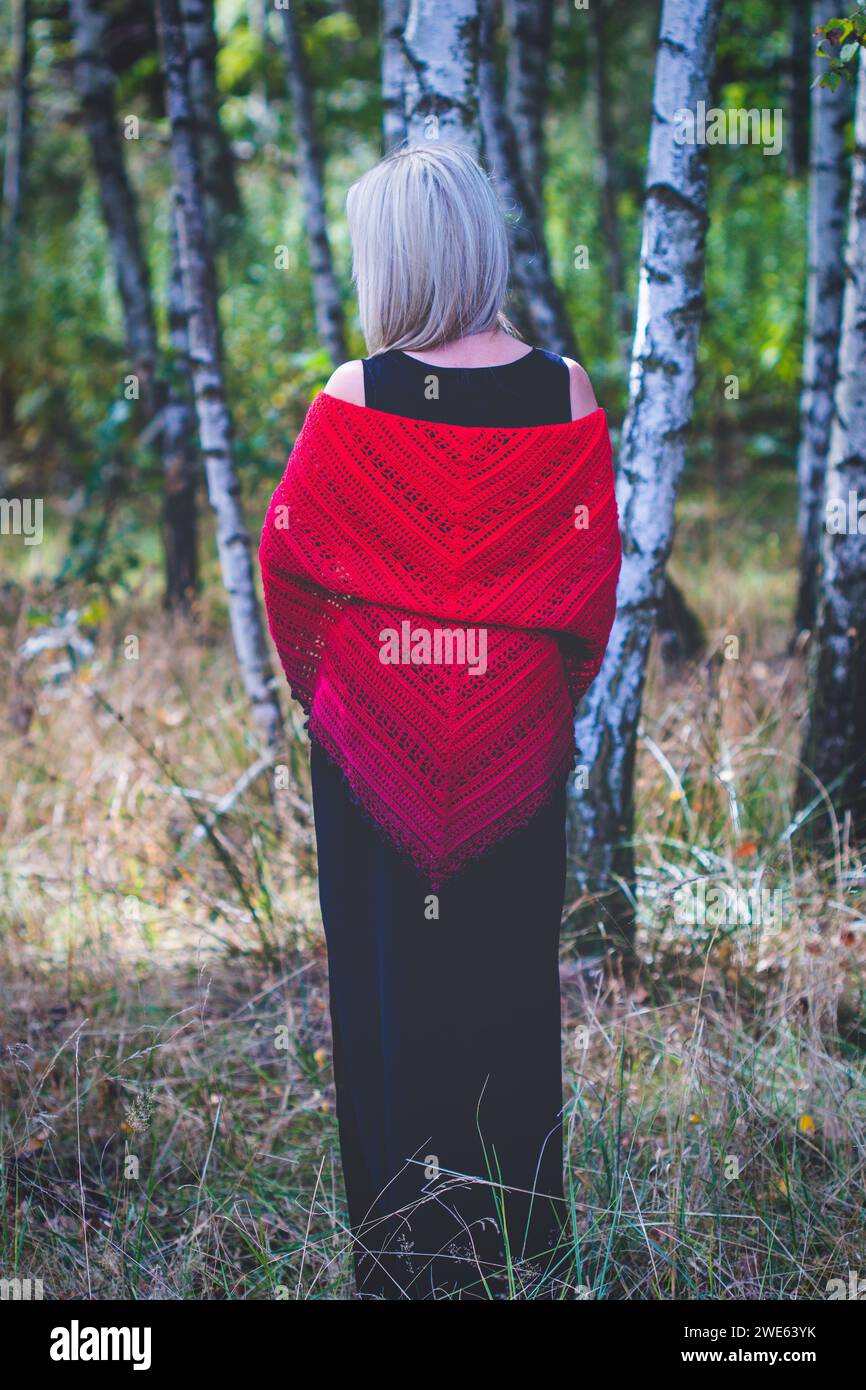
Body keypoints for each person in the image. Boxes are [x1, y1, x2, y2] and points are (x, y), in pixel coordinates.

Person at [260, 142, 621, 1299]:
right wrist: (529, 692)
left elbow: (289, 566)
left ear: (395, 259)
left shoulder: (353, 395)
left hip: (372, 762)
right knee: (506, 982)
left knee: (390, 990)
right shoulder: (563, 389)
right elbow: (587, 585)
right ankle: (520, 1243)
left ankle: (408, 1260)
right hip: (517, 747)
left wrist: (347, 694)